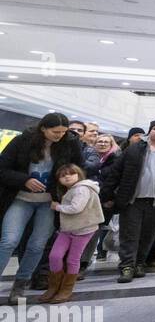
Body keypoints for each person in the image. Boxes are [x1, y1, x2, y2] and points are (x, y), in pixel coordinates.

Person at [0, 114, 83, 303]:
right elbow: (2, 168)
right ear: (43, 128)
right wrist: (24, 180)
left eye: (63, 132)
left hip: (49, 203)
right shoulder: (22, 141)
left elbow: (79, 169)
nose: (60, 136)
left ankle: (20, 284)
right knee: (8, 241)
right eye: (56, 132)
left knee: (37, 245)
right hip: (20, 199)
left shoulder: (70, 144)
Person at [100, 119, 155, 283]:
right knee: (129, 234)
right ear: (150, 131)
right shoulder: (135, 149)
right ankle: (127, 266)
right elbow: (116, 172)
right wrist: (108, 195)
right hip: (133, 200)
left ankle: (140, 262)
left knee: (149, 235)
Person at [38, 163, 103, 304]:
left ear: (79, 174)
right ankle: (54, 287)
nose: (67, 177)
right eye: (63, 175)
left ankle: (66, 289)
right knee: (55, 256)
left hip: (84, 230)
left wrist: (58, 207)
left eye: (71, 173)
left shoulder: (82, 189)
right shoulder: (72, 189)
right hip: (68, 229)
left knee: (72, 259)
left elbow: (76, 208)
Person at [90, 134, 118, 261]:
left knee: (96, 231)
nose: (102, 144)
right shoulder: (90, 158)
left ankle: (86, 260)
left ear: (111, 145)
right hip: (88, 200)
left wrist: (110, 199)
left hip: (105, 201)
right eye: (99, 141)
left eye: (106, 142)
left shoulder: (116, 160)